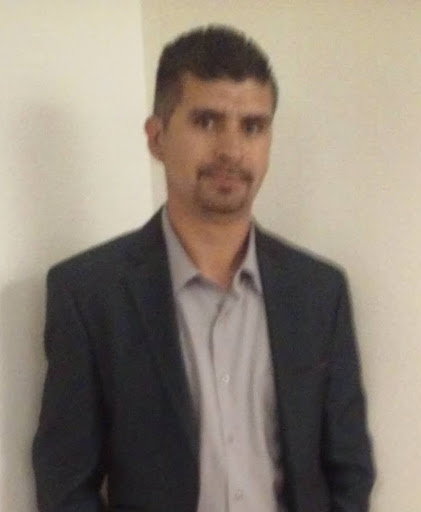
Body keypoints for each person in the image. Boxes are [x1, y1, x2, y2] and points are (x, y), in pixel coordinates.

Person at [32, 25, 374, 512]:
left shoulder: (320, 293)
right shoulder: (89, 295)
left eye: (252, 127)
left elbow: (349, 469)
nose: (231, 150)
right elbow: (66, 486)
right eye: (207, 121)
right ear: (157, 137)